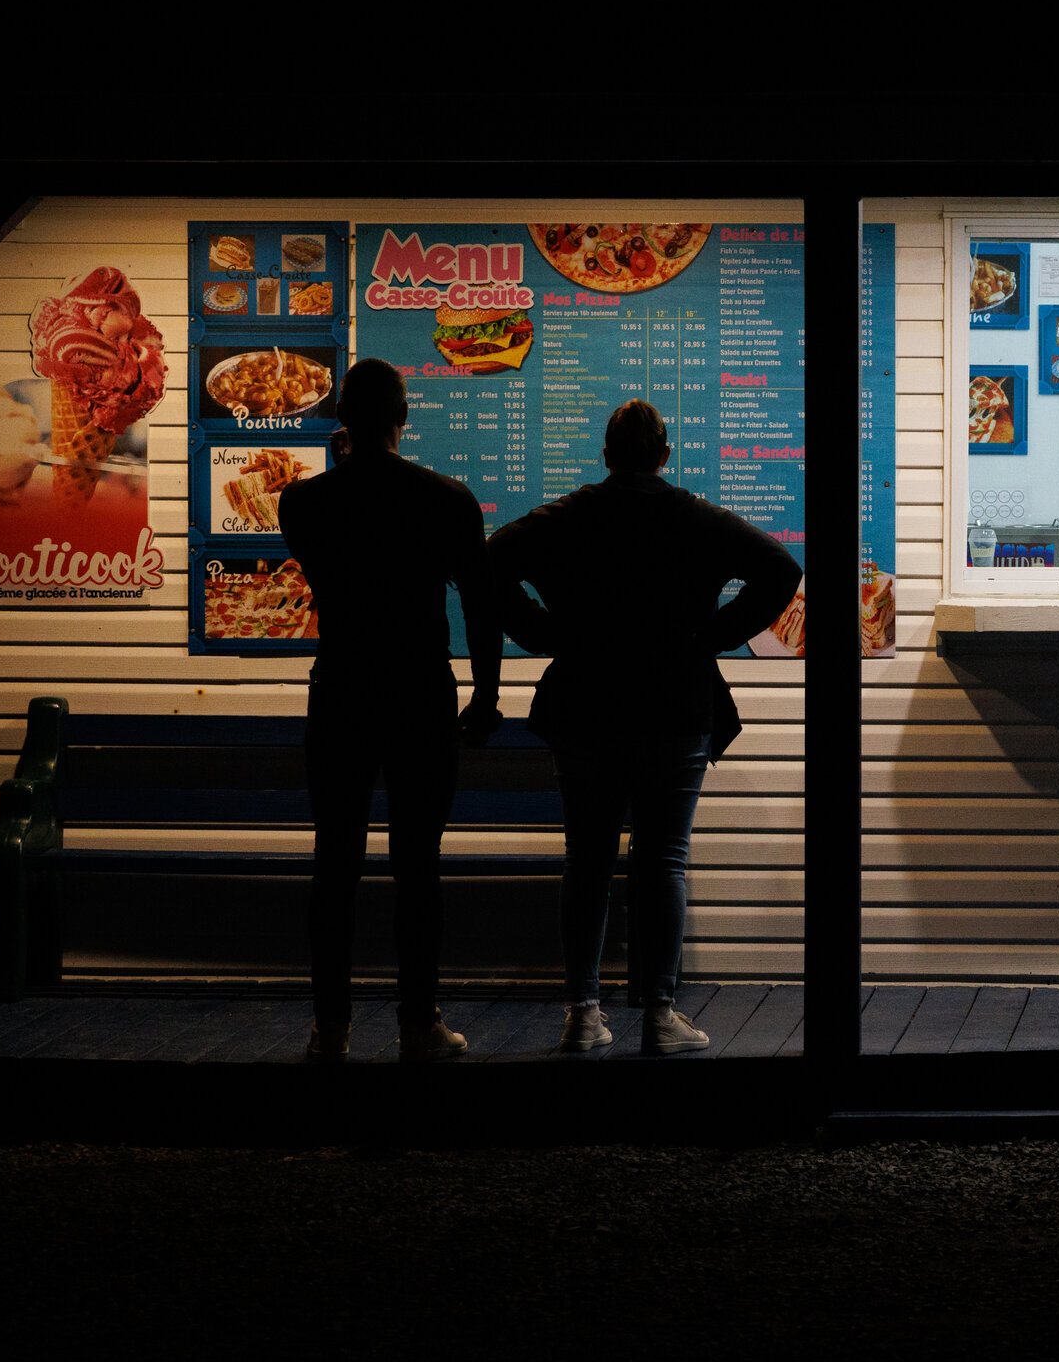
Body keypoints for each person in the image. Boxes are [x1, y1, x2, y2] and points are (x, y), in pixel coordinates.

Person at [486, 400, 801, 1055]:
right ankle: (659, 1013)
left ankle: (582, 1013)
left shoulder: (568, 517)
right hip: (674, 701)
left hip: (585, 701)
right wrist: (708, 636)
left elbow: (488, 567)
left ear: (606, 454)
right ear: (664, 453)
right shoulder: (695, 516)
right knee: (663, 858)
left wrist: (542, 632)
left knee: (589, 859)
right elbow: (781, 569)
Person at [278, 358, 502, 1064]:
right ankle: (417, 1023)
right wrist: (487, 693)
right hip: (418, 691)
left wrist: (346, 462)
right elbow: (480, 603)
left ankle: (332, 1027)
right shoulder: (448, 501)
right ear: (405, 416)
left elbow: (328, 543)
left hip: (341, 686)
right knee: (417, 866)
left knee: (335, 864)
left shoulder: (302, 504)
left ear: (344, 417)